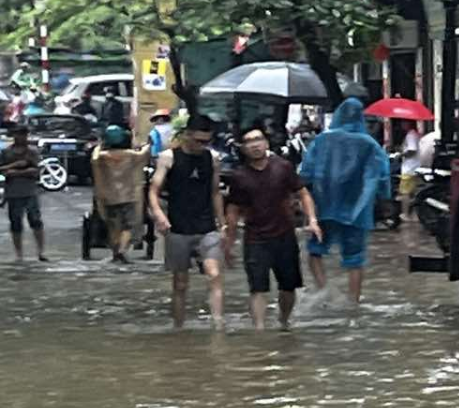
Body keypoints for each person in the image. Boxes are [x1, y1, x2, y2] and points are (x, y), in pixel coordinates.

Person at [226, 124, 320, 330]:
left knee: (288, 286)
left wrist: (312, 220)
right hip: (255, 238)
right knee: (257, 288)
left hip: (284, 235)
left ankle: (284, 322)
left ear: (266, 143)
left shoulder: (283, 167)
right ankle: (259, 330)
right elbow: (233, 209)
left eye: (258, 140)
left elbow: (303, 193)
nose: (255, 145)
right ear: (243, 148)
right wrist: (229, 241)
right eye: (249, 142)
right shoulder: (239, 176)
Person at [299, 97, 390, 307]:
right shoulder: (370, 145)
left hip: (324, 207)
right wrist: (384, 199)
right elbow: (382, 176)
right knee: (355, 259)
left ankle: (324, 291)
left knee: (315, 250)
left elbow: (306, 173)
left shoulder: (322, 141)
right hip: (357, 211)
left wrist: (304, 202)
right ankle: (353, 303)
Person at [149, 114, 227, 330]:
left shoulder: (212, 159)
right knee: (180, 283)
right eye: (199, 141)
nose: (203, 145)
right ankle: (178, 328)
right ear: (187, 135)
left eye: (207, 141)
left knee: (214, 274)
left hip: (206, 227)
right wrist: (159, 215)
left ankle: (218, 325)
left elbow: (215, 192)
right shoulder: (168, 157)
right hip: (178, 228)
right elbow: (153, 191)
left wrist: (223, 224)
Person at [90, 124, 147, 263]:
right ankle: (122, 250)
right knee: (129, 226)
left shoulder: (101, 158)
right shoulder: (131, 155)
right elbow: (145, 153)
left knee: (113, 226)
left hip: (108, 197)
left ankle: (116, 253)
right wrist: (145, 142)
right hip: (128, 195)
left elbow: (94, 158)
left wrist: (99, 145)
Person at [1, 123, 49, 262]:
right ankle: (19, 254)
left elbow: (35, 171)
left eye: (23, 134)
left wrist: (14, 172)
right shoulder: (7, 152)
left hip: (30, 191)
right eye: (18, 134)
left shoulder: (32, 152)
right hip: (13, 193)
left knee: (35, 221)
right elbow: (3, 170)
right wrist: (17, 166)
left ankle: (40, 251)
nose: (20, 137)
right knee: (16, 223)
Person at [397, 120, 423, 201]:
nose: (402, 124)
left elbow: (412, 150)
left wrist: (400, 155)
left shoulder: (411, 135)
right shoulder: (413, 134)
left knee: (405, 193)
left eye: (404, 122)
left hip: (409, 168)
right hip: (413, 167)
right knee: (412, 192)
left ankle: (405, 212)